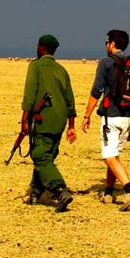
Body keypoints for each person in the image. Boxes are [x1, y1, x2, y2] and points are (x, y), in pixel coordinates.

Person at [81, 29, 130, 211]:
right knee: (114, 154)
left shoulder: (106, 63)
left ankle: (129, 189)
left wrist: (87, 115)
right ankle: (108, 192)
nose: (105, 45)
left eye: (106, 42)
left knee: (108, 156)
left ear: (112, 43)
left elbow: (96, 91)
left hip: (112, 116)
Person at [21, 34, 77, 212]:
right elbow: (70, 99)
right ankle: (35, 194)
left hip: (43, 119)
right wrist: (71, 125)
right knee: (47, 155)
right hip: (59, 120)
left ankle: (60, 190)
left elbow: (30, 94)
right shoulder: (62, 70)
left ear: (42, 48)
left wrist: (24, 120)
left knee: (40, 156)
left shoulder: (36, 66)